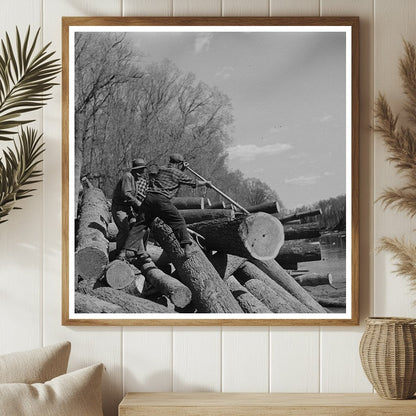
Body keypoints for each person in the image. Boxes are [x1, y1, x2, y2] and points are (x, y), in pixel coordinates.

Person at [123, 153, 211, 260]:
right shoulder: (178, 173)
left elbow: (169, 176)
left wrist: (182, 168)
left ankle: (127, 251)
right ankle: (187, 250)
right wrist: (205, 183)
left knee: (140, 224)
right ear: (179, 164)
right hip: (162, 200)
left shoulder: (161, 169)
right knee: (178, 221)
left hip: (149, 198)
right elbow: (193, 182)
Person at [111, 158, 148, 257]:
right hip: (119, 208)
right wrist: (137, 203)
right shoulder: (128, 176)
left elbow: (134, 197)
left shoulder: (136, 180)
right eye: (140, 169)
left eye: (142, 169)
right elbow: (126, 194)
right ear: (135, 170)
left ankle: (140, 252)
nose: (142, 172)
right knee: (124, 229)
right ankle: (119, 254)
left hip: (127, 208)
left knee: (138, 226)